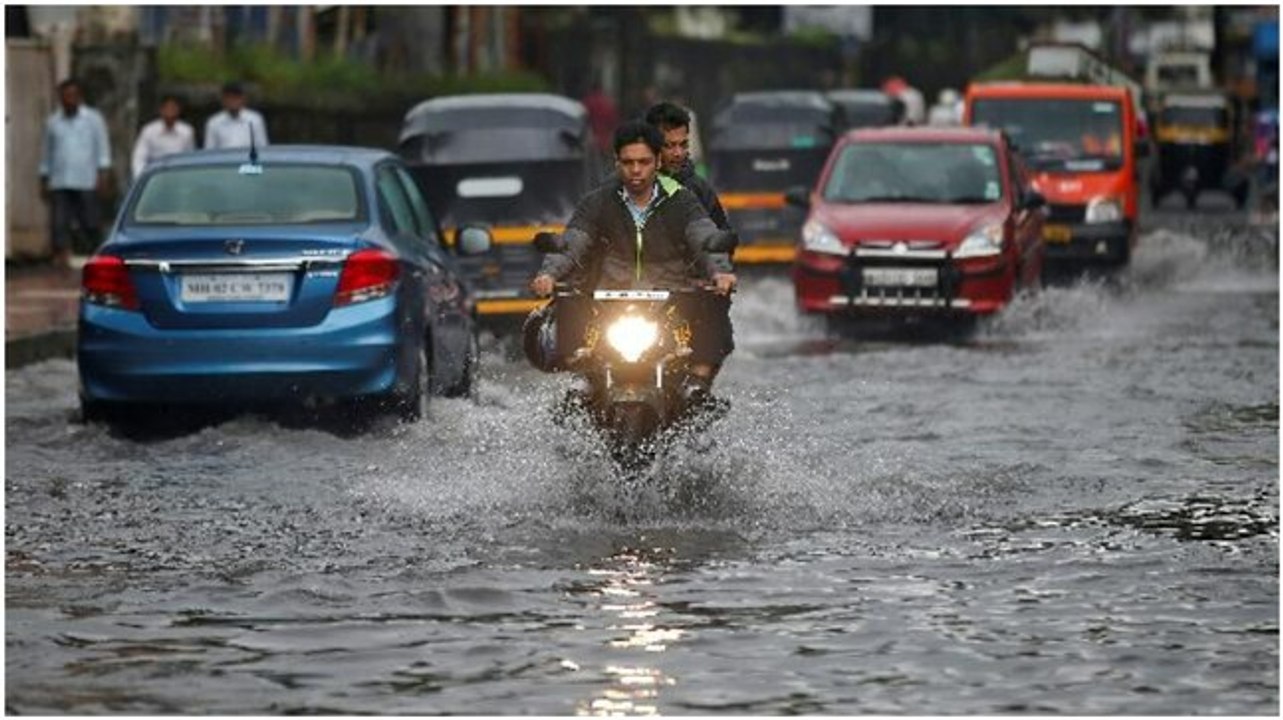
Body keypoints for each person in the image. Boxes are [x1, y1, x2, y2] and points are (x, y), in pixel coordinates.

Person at [529, 120, 737, 400]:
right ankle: (583, 378)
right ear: (616, 162)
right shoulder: (598, 202)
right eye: (628, 162)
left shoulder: (682, 201)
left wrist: (720, 273)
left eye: (644, 161)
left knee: (713, 300)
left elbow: (704, 237)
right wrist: (549, 275)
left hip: (671, 301)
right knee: (569, 295)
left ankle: (696, 384)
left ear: (658, 162)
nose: (636, 170)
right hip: (608, 302)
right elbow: (573, 241)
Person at [39, 78, 112, 268]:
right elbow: (47, 152)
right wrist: (44, 176)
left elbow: (102, 148)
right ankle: (62, 256)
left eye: (72, 95)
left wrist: (103, 174)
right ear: (60, 98)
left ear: (79, 97)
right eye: (65, 96)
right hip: (60, 179)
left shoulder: (93, 119)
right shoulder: (53, 122)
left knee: (90, 220)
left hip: (86, 178)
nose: (69, 99)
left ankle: (97, 255)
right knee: (59, 222)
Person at [130, 94, 195, 180]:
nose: (170, 112)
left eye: (173, 108)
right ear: (161, 110)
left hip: (179, 176)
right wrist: (141, 177)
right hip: (155, 176)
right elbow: (139, 158)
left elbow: (190, 158)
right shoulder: (149, 130)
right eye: (167, 108)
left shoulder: (187, 131)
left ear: (178, 111)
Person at [203, 81, 269, 150]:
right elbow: (209, 149)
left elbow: (262, 146)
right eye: (229, 97)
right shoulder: (214, 122)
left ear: (243, 99)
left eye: (236, 97)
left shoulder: (255, 119)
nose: (233, 101)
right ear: (223, 100)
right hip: (223, 159)